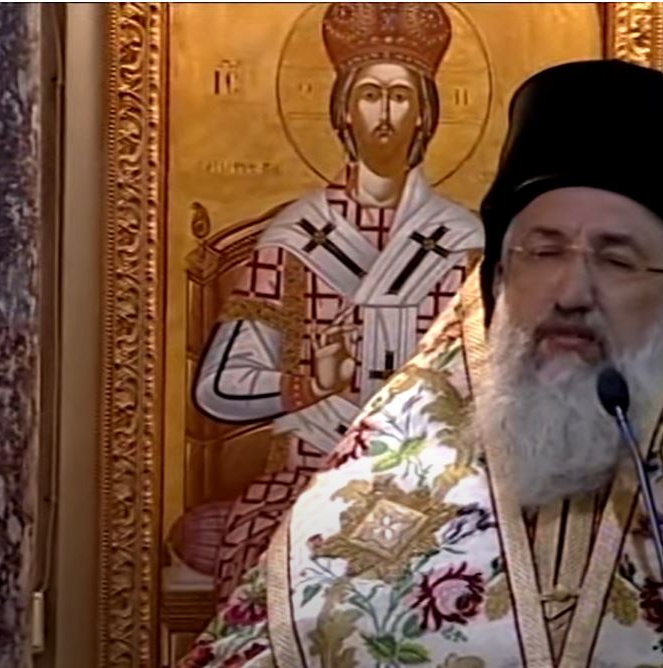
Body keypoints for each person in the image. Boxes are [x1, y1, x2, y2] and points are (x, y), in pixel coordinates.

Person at [179, 60, 663, 668]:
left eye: (617, 258)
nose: (572, 291)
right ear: (496, 281)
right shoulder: (367, 498)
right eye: (541, 251)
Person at [184, 2, 484, 598]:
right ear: (343, 109)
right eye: (369, 94)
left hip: (432, 473)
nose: (385, 113)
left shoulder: (465, 244)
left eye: (401, 97)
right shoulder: (294, 241)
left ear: (425, 114)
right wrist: (309, 386)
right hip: (310, 469)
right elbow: (217, 387)